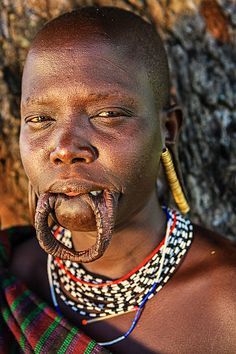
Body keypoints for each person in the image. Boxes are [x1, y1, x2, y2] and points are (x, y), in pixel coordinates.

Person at [0, 6, 235, 354]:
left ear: (167, 131)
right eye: (40, 119)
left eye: (107, 114)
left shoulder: (226, 306)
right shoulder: (12, 279)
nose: (64, 148)